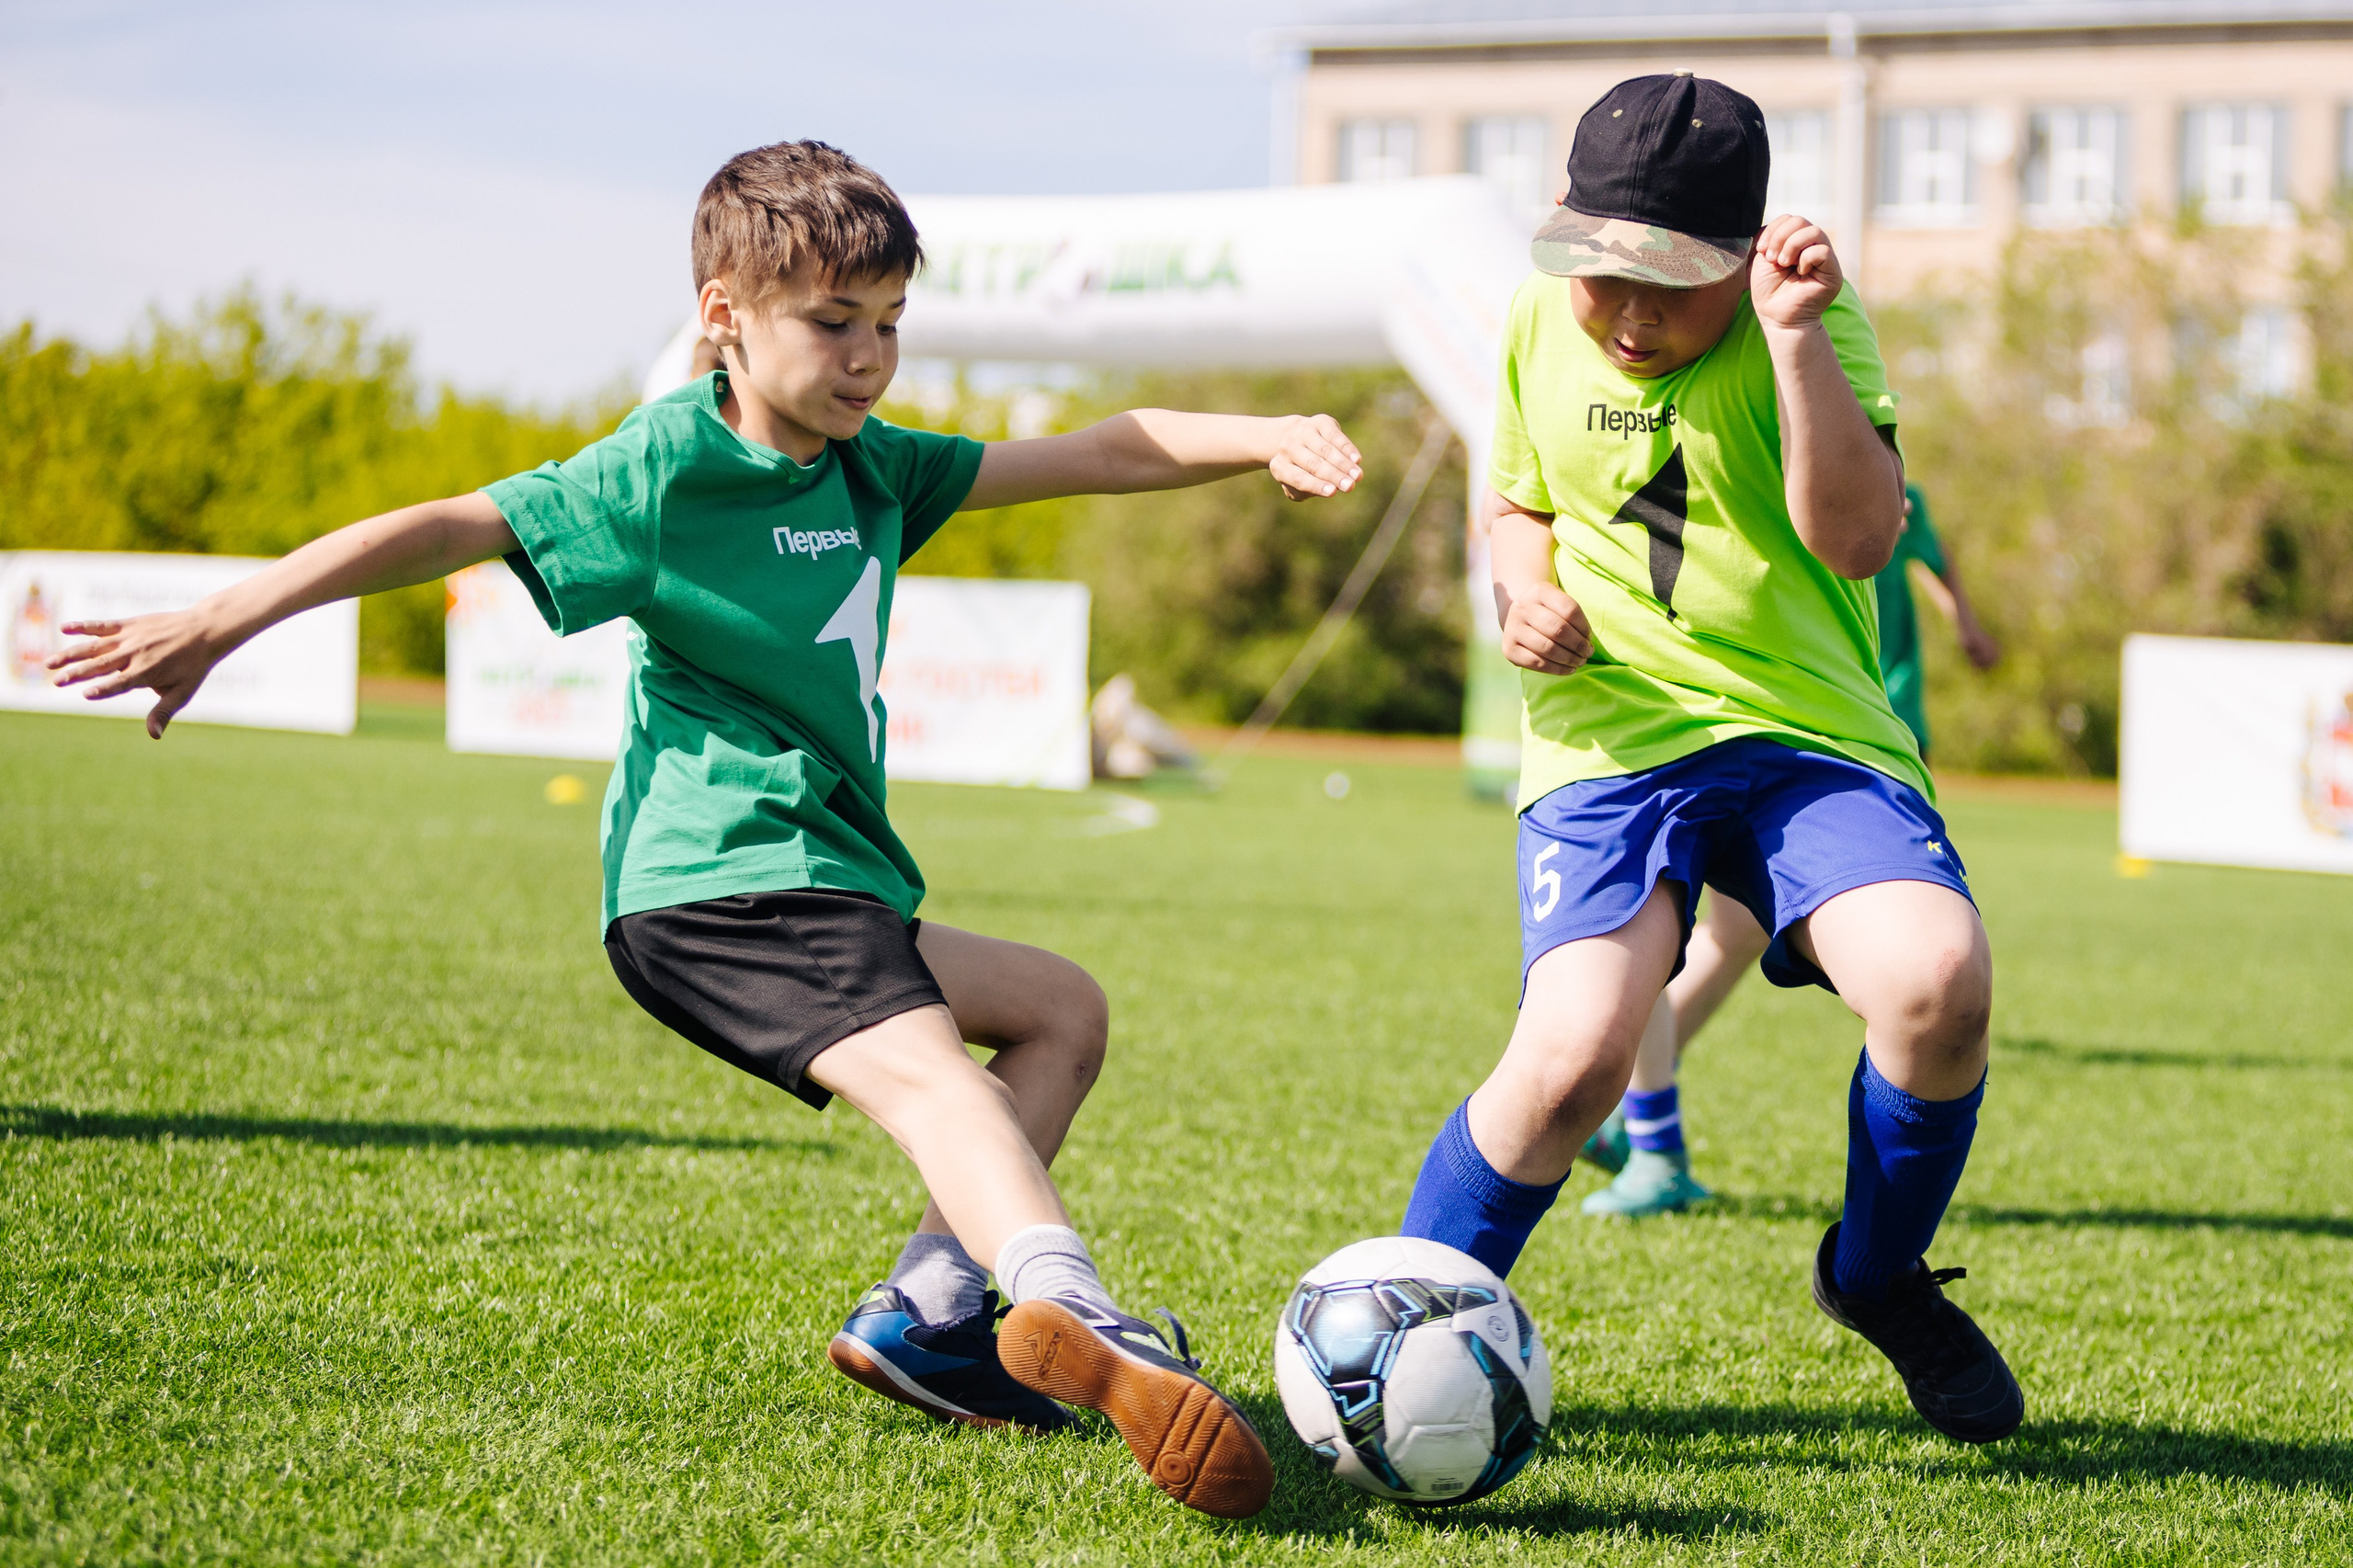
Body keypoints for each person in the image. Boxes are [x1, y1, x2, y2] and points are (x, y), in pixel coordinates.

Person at [46, 139, 1369, 1517]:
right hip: (724, 877)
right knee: (941, 1086)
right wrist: (218, 618)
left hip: (826, 879)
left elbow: (1100, 447)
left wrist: (1260, 440)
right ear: (724, 316)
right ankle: (1071, 1309)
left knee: (1058, 1011)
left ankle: (928, 1317)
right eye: (833, 323)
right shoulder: (662, 469)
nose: (869, 358)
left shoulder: (874, 471)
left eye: (890, 325)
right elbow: (447, 522)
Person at [1396, 75, 2021, 1444]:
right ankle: (1399, 1333)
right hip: (1612, 743)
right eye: (1598, 275)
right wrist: (1521, 587)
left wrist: (1796, 344)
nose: (1625, 315)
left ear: (1744, 260)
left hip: (1808, 735)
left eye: (1668, 285)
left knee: (1938, 984)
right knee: (1572, 1063)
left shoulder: (1814, 318)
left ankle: (1875, 1275)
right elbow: (1515, 500)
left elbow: (1859, 542)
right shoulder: (1525, 320)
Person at [1579, 480, 2002, 1216]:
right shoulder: (1716, 461)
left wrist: (1959, 616)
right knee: (1658, 908)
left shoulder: (1891, 479)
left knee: (1737, 930)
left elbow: (1925, 551)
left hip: (1869, 724)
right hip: (1732, 717)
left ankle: (1639, 1111)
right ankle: (1647, 1134)